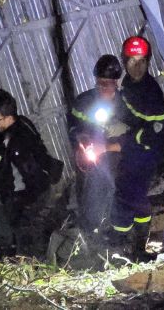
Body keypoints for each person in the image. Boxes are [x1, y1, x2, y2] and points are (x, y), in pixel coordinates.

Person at [107, 36, 164, 257]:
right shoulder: (128, 85)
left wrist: (126, 132)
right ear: (124, 61)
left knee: (129, 195)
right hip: (133, 151)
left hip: (146, 153)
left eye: (142, 61)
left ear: (148, 61)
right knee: (129, 193)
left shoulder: (150, 91)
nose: (137, 66)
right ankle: (132, 241)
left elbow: (157, 131)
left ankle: (126, 243)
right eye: (132, 61)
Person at [0, 89, 61, 222]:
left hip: (31, 194)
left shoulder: (19, 137)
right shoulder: (19, 123)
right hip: (29, 192)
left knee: (34, 228)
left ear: (8, 117)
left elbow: (8, 159)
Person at [67, 55, 127, 234]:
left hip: (118, 156)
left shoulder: (126, 104)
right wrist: (81, 139)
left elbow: (133, 139)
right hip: (91, 157)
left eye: (107, 84)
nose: (102, 88)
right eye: (99, 83)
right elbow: (73, 127)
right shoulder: (83, 102)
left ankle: (118, 230)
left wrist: (107, 148)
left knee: (117, 191)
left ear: (116, 83)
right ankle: (91, 230)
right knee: (91, 192)